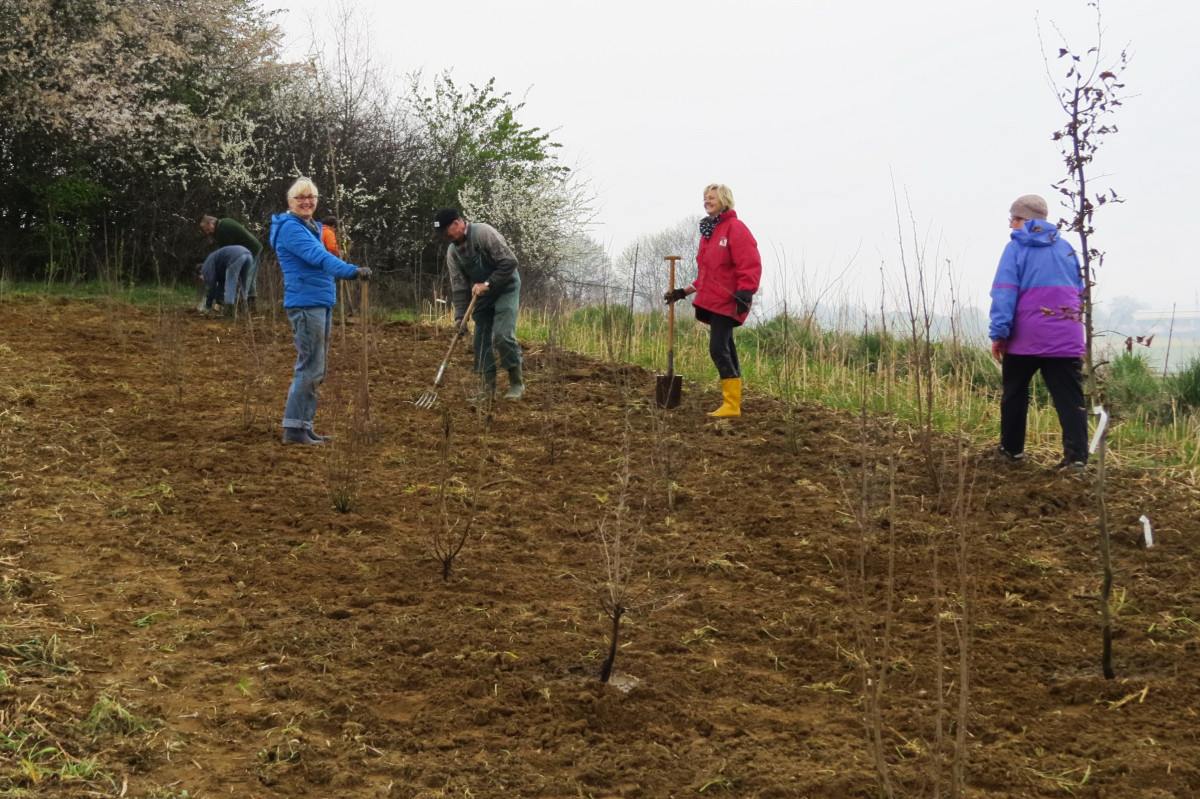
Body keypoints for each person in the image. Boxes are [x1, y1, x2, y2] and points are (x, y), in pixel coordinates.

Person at [988, 194, 1088, 473]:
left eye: (1013, 218)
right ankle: (1077, 459)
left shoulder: (1015, 248)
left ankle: (1012, 451)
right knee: (1070, 400)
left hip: (1024, 338)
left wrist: (1000, 333)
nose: (1010, 225)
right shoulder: (1067, 248)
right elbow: (1080, 293)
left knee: (1015, 394)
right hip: (1066, 340)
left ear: (1025, 220)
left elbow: (1005, 292)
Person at [270, 178, 371, 445]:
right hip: (305, 303)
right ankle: (294, 430)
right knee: (309, 366)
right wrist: (351, 271)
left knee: (317, 367)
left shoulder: (309, 226)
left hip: (318, 301)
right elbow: (319, 257)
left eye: (311, 197)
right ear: (290, 202)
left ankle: (304, 425)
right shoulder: (292, 229)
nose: (306, 202)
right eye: (300, 197)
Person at [663, 183, 761, 417]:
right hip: (714, 298)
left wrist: (746, 290)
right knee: (726, 346)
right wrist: (683, 292)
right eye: (705, 198)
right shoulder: (709, 232)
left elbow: (749, 261)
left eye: (712, 197)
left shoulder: (735, 228)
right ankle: (733, 403)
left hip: (729, 298)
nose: (707, 201)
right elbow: (706, 274)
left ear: (724, 200)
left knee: (718, 348)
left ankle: (731, 404)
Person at [433, 208, 524, 400]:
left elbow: (509, 261)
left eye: (445, 231)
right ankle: (487, 390)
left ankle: (517, 383)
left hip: (506, 287)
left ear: (456, 224)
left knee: (501, 334)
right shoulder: (453, 252)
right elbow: (458, 287)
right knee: (480, 340)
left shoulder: (483, 233)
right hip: (482, 295)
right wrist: (459, 318)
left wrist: (488, 284)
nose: (445, 236)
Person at [200, 215, 264, 312]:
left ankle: (243, 306)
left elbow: (229, 251)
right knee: (249, 280)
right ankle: (250, 307)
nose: (208, 233)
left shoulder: (222, 231)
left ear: (212, 223)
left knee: (246, 279)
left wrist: (211, 303)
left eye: (208, 230)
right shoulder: (224, 221)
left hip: (251, 250)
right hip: (249, 249)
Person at [199, 245, 252, 315]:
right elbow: (221, 284)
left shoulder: (206, 268)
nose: (203, 280)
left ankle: (229, 313)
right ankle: (243, 309)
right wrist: (218, 303)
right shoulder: (217, 267)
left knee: (230, 283)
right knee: (243, 283)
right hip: (248, 255)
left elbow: (211, 286)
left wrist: (208, 305)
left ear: (200, 274)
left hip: (235, 256)